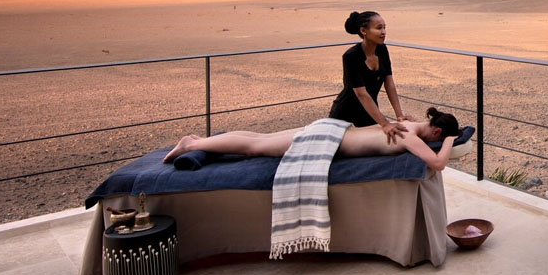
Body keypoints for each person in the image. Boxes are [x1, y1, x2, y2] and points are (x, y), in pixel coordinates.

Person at [162, 107, 462, 171]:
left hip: (330, 130)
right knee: (255, 148)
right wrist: (450, 141)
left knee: (261, 138)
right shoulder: (410, 135)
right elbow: (436, 163)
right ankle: (193, 145)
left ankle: (200, 140)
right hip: (324, 142)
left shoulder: (404, 123)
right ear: (436, 132)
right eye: (440, 136)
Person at [328, 11, 413, 142]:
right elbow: (361, 94)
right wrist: (385, 123)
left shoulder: (382, 50)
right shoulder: (351, 56)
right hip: (345, 114)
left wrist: (399, 115)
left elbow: (389, 84)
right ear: (363, 30)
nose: (383, 32)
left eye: (385, 27)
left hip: (370, 113)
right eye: (379, 28)